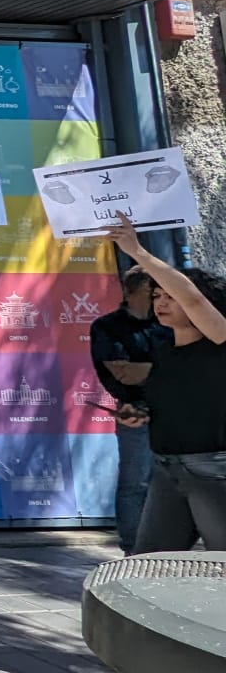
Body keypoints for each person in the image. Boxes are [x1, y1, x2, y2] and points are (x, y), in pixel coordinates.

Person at [108, 216, 226, 554]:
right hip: (167, 470)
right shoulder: (164, 351)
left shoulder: (219, 341)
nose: (161, 302)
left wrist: (137, 251)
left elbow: (194, 300)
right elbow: (169, 404)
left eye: (170, 295)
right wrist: (138, 413)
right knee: (150, 564)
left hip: (213, 471)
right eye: (157, 295)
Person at [90, 265, 159, 555]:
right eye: (153, 290)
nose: (160, 297)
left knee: (180, 482)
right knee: (136, 481)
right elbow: (124, 373)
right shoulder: (108, 326)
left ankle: (169, 549)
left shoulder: (172, 324)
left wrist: (152, 371)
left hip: (180, 412)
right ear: (135, 291)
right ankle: (134, 551)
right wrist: (172, 369)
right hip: (135, 412)